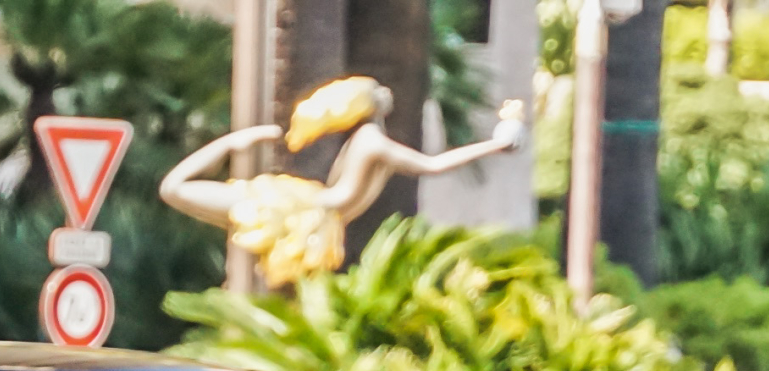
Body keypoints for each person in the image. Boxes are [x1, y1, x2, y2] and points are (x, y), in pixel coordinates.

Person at [159, 80, 527, 286]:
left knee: (176, 192)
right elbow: (431, 165)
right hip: (299, 213)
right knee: (174, 190)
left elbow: (430, 165)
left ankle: (233, 142)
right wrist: (494, 145)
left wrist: (495, 144)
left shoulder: (371, 143)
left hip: (307, 218)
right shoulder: (371, 142)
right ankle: (232, 141)